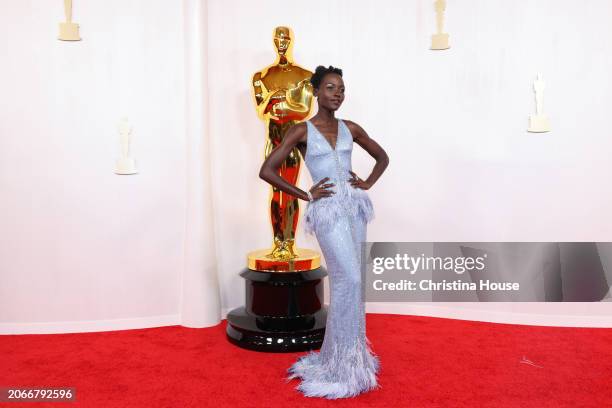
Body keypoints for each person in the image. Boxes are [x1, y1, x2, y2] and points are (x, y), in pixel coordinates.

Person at [259, 65, 389, 399]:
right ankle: (338, 366)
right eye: (331, 88)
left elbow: (382, 157)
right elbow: (267, 170)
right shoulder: (301, 130)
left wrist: (366, 184)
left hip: (353, 209)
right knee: (349, 277)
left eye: (342, 89)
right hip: (328, 211)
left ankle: (351, 360)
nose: (338, 94)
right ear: (316, 92)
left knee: (355, 280)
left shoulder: (351, 128)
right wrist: (305, 194)